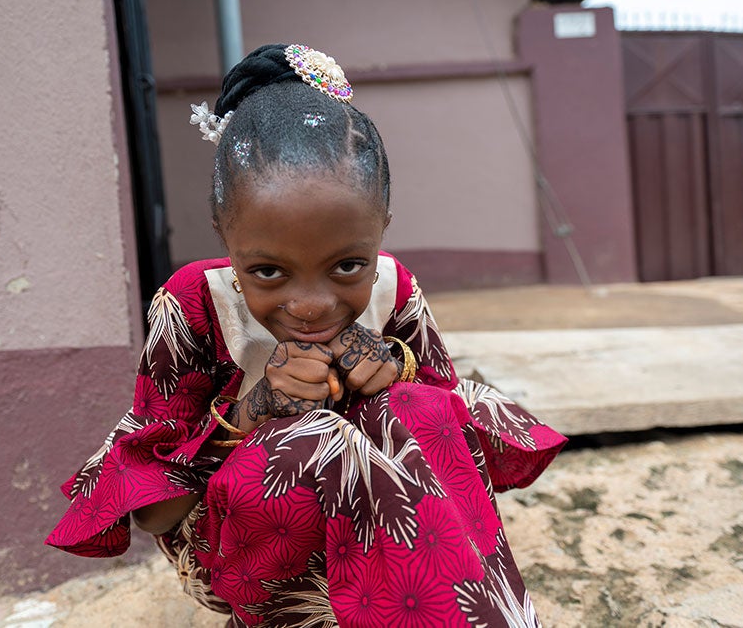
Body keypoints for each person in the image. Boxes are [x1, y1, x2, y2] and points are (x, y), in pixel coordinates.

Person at [46, 43, 567, 627]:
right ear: (225, 236)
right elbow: (155, 515)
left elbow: (467, 454)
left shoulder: (395, 288)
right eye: (268, 271)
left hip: (401, 558)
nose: (312, 306)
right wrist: (252, 413)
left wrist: (395, 369)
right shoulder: (193, 303)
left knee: (417, 408)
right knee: (314, 441)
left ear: (382, 228)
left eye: (348, 265)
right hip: (242, 556)